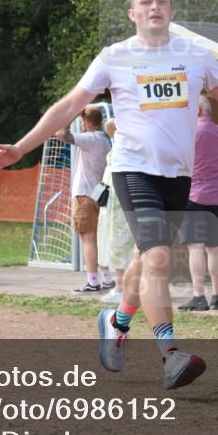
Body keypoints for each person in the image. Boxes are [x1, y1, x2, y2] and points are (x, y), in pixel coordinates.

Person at [0, 0, 218, 389]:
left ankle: (118, 321)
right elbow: (69, 105)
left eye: (161, 1)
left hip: (178, 175)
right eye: (145, 2)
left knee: (147, 259)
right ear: (132, 14)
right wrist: (21, 147)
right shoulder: (114, 57)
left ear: (172, 12)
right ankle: (171, 355)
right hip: (132, 169)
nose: (154, 6)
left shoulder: (196, 56)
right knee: (157, 258)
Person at [178, 96, 218, 311]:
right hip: (217, 196)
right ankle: (217, 296)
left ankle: (199, 295)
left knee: (195, 247)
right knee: (213, 248)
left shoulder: (191, 132)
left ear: (197, 110)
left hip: (194, 194)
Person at [56, 107, 113, 293]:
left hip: (84, 194)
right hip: (99, 193)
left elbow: (61, 134)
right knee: (99, 238)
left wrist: (69, 115)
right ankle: (107, 277)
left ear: (87, 122)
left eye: (82, 121)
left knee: (88, 238)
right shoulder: (105, 140)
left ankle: (93, 281)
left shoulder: (90, 139)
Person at [96, 118, 135, 304]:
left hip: (121, 197)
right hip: (113, 197)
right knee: (117, 241)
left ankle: (122, 288)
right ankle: (123, 287)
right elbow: (110, 124)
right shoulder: (120, 136)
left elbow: (110, 124)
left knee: (121, 242)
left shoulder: (133, 143)